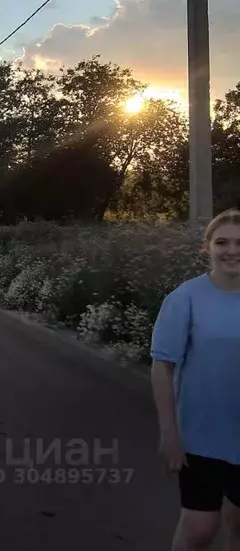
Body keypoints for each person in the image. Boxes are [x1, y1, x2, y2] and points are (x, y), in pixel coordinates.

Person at [151, 208, 240, 550]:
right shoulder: (185, 298)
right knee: (200, 528)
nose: (232, 250)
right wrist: (169, 432)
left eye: (239, 242)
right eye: (222, 242)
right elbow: (162, 366)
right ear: (207, 247)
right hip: (201, 436)